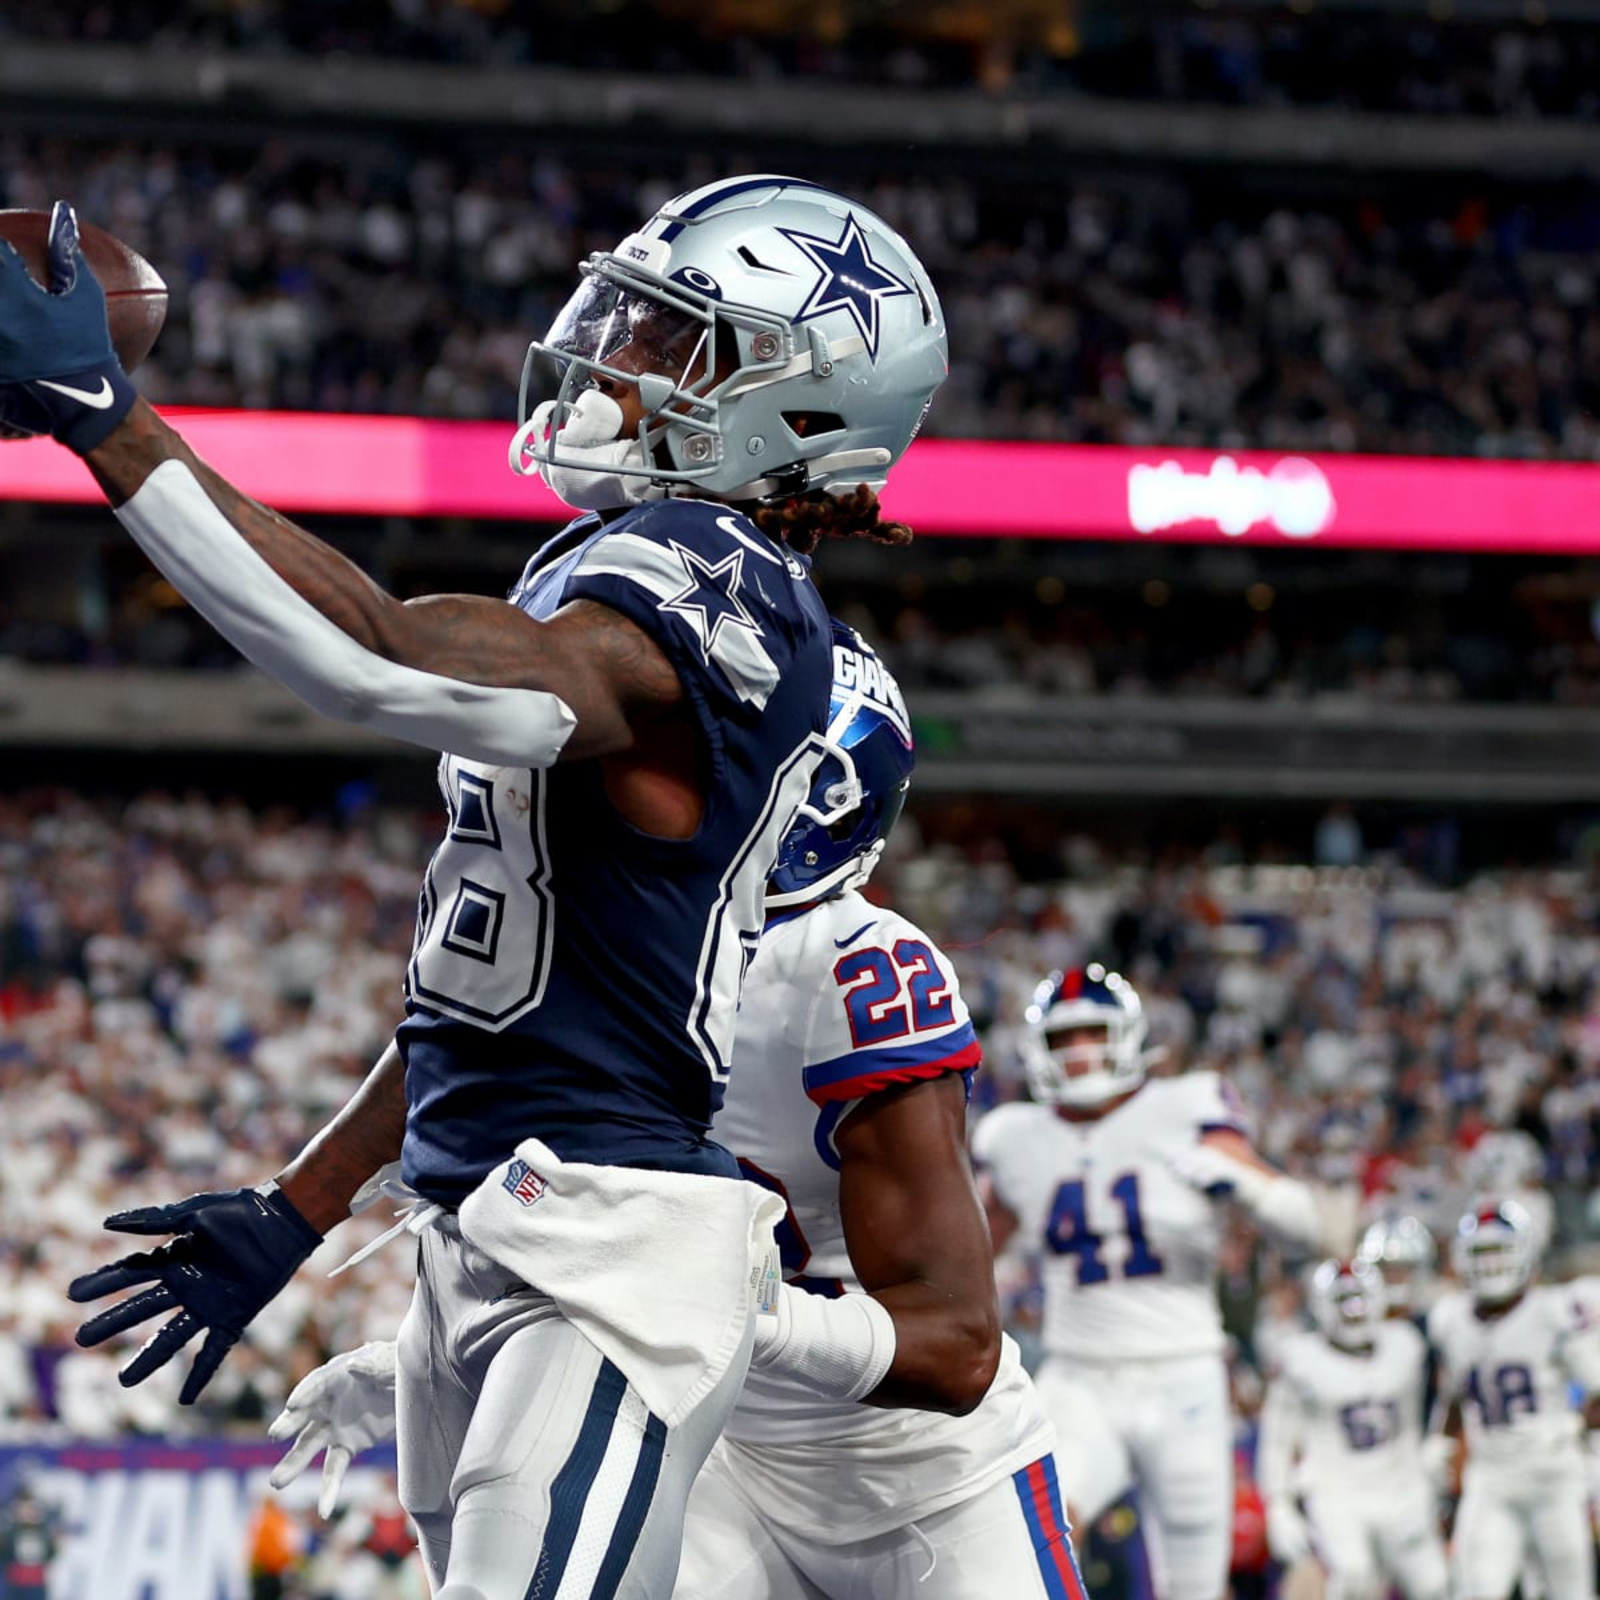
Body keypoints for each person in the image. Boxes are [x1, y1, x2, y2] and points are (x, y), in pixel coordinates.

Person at [3, 176, 948, 1600]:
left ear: (801, 406)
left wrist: (106, 417)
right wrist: (298, 1207)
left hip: (611, 1257)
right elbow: (490, 998)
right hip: (490, 1229)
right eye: (626, 312)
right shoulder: (622, 565)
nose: (609, 350)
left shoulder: (719, 580)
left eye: (669, 338)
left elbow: (380, 655)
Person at [271, 623, 1079, 1600]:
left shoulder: (854, 969)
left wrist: (742, 1312)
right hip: (714, 1448)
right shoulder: (606, 926)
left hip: (925, 1479)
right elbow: (533, 1184)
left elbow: (957, 1347)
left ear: (801, 794)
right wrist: (409, 1355)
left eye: (690, 753)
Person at [972, 970, 1323, 1600]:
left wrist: (1245, 1185)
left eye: (1092, 1033)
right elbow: (967, 1259)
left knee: (1193, 1584)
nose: (1079, 1051)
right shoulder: (1016, 1137)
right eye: (1063, 1038)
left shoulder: (1187, 1107)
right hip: (1079, 1376)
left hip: (1183, 1376)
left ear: (1128, 1038)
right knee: (1027, 1535)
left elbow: (1306, 1230)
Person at [1426, 1201, 1600, 1600]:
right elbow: (1455, 1395)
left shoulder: (1553, 1310)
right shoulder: (1451, 1320)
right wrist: (1442, 1441)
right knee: (1474, 1590)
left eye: (1500, 1250)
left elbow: (1597, 1387)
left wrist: (1574, 1427)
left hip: (1553, 1477)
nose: (1491, 1264)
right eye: (1482, 1253)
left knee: (1571, 1593)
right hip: (1491, 1477)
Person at [1256, 1257, 1448, 1600]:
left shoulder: (1405, 1345)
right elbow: (1277, 1441)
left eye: (1360, 1299)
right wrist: (1278, 1504)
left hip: (1398, 1485)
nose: (1354, 1310)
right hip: (1337, 1491)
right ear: (1320, 1307)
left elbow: (1423, 1414)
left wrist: (1426, 1460)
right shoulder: (1299, 1359)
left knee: (1434, 1584)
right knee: (1354, 1580)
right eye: (1343, 1302)